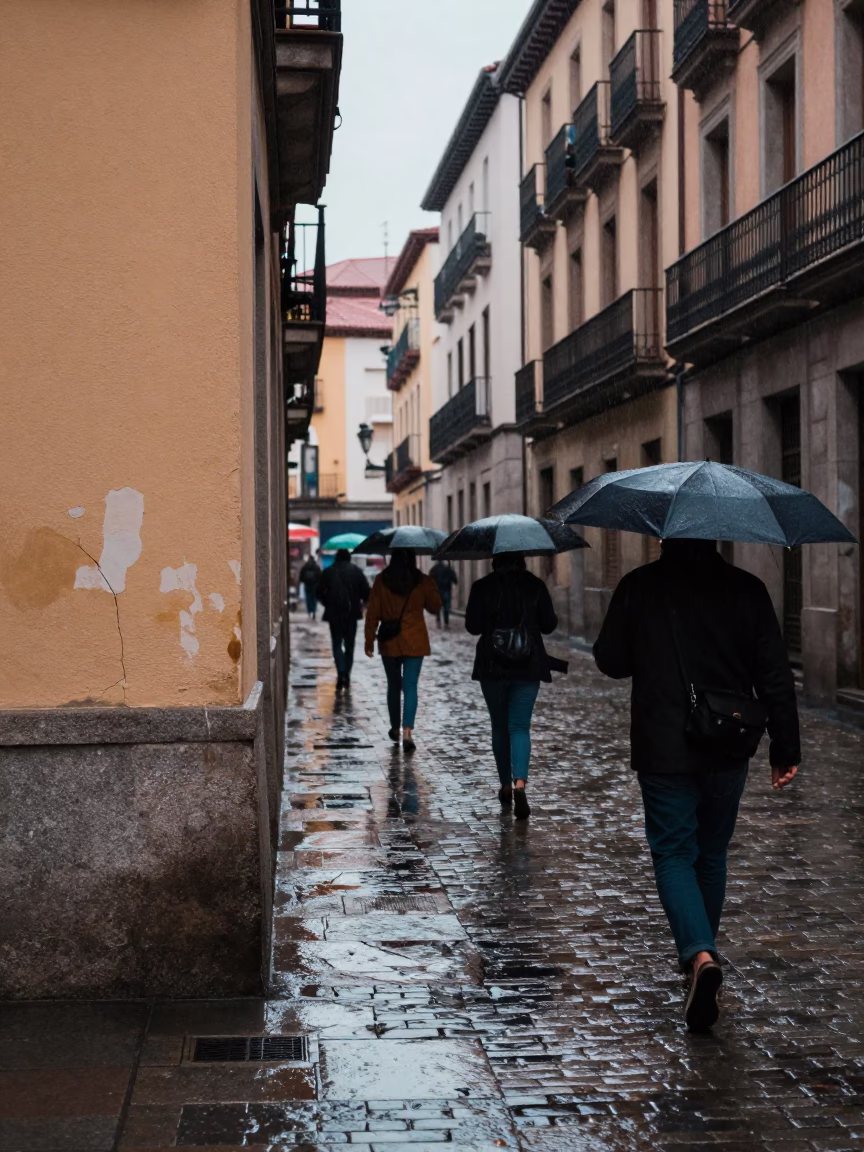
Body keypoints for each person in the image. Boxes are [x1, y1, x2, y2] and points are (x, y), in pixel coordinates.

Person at [593, 538, 800, 1032]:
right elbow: (774, 674)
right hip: (729, 740)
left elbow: (610, 660)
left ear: (665, 535)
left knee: (672, 852)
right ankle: (700, 953)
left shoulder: (639, 585)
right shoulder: (747, 589)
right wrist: (785, 747)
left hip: (664, 744)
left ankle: (699, 956)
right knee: (711, 853)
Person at [465, 554, 558, 820]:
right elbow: (549, 625)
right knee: (519, 726)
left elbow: (472, 626)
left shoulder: (482, 587)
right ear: (522, 559)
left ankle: (505, 785)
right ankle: (520, 783)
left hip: (492, 666)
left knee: (499, 726)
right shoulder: (535, 585)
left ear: (495, 560)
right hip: (528, 664)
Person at [365, 549, 441, 752]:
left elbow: (373, 610)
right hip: (415, 641)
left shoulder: (382, 580)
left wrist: (369, 638)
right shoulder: (422, 580)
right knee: (410, 686)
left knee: (393, 685)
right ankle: (407, 731)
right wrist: (433, 586)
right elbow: (435, 606)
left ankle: (394, 727)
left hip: (390, 641)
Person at [316, 549, 370, 691]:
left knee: (336, 644)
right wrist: (362, 603)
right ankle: (346, 673)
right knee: (350, 645)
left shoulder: (328, 572)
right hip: (351, 614)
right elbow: (366, 592)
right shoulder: (356, 572)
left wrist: (327, 602)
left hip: (334, 614)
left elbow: (319, 592)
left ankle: (341, 671)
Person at [429, 559, 458, 629]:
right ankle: (446, 623)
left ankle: (438, 622)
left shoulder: (433, 569)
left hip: (437, 592)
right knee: (446, 608)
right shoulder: (448, 569)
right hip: (446, 591)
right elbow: (455, 580)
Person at [298, 553, 321, 620]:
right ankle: (313, 611)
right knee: (314, 599)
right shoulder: (316, 567)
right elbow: (319, 576)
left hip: (307, 585)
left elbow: (301, 576)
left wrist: (303, 581)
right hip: (314, 585)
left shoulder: (305, 566)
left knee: (308, 599)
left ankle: (309, 611)